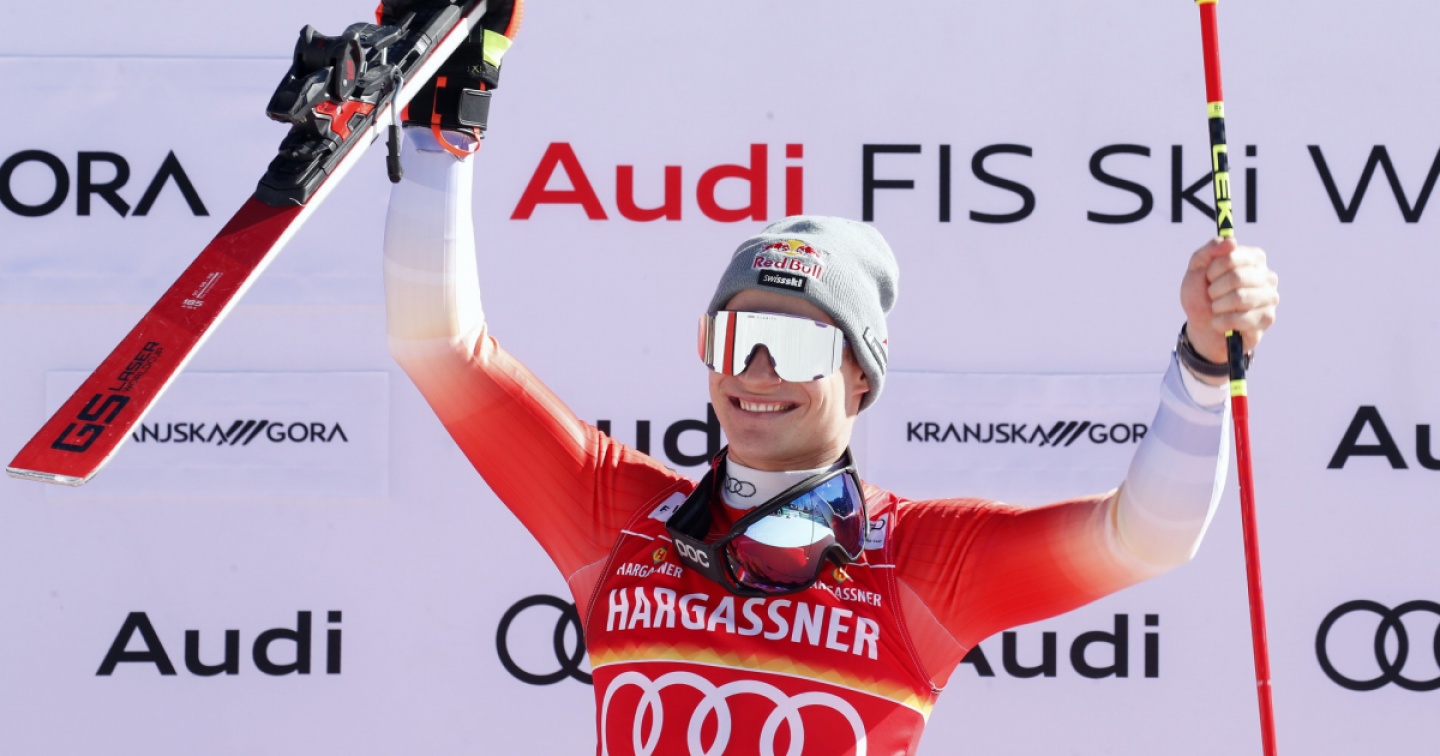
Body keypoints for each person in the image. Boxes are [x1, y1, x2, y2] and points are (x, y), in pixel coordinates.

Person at [380, 2, 1281, 753]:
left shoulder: (919, 560)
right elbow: (439, 344)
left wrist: (1205, 365)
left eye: (798, 345)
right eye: (736, 336)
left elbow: (1146, 538)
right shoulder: (617, 518)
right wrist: (441, 133)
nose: (757, 370)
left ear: (861, 378)